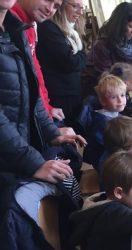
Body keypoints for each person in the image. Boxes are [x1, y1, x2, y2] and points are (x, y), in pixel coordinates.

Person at [0, 0, 87, 247]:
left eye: (56, 3)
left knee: (68, 170)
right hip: (10, 162)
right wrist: (34, 162)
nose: (51, 7)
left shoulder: (16, 28)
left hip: (17, 155)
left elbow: (33, 92)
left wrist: (51, 132)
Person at [81, 2, 132, 98]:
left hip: (118, 92)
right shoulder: (101, 45)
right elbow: (106, 79)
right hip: (99, 95)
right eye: (130, 26)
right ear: (119, 25)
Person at [11, 0, 66, 122]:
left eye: (56, 6)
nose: (50, 9)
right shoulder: (8, 21)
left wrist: (47, 108)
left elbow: (35, 70)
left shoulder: (29, 25)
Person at [36, 0, 87, 128]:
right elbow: (71, 62)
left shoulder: (71, 31)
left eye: (82, 8)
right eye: (75, 6)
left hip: (72, 91)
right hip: (59, 95)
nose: (80, 12)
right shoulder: (48, 27)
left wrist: (80, 55)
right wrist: (83, 54)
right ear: (62, 6)